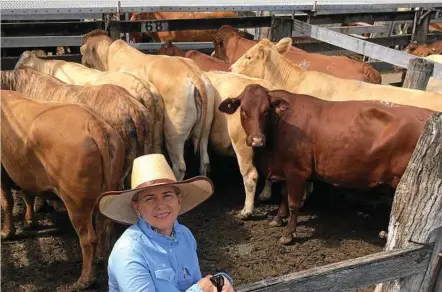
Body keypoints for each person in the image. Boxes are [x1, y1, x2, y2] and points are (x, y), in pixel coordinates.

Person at [97, 154, 235, 292]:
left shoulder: (185, 235)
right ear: (137, 206)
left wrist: (220, 282)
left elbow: (197, 283)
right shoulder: (129, 251)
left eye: (167, 195)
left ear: (178, 200)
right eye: (150, 199)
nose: (161, 205)